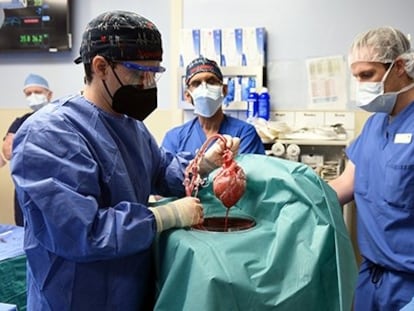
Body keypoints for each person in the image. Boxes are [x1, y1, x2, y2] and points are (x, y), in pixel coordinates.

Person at [10, 11, 239, 311]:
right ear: (101, 67)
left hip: (129, 292)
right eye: (138, 73)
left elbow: (162, 171)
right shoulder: (48, 134)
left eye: (153, 73)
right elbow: (81, 231)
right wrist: (163, 216)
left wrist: (202, 165)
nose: (147, 83)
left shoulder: (132, 127)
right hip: (74, 298)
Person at [329, 26, 414, 310]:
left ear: (400, 66)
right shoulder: (374, 125)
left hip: (408, 286)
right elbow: (345, 184)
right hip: (371, 279)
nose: (361, 86)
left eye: (368, 75)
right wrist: (288, 189)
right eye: (356, 77)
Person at [161, 56, 265, 156]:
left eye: (211, 81)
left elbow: (248, 171)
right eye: (196, 83)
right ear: (188, 96)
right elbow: (168, 173)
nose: (205, 88)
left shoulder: (244, 133)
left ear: (224, 90)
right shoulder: (175, 138)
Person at [2, 73, 53, 226]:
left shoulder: (61, 118)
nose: (33, 96)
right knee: (26, 231)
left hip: (53, 188)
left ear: (49, 94)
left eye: (37, 92)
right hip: (25, 190)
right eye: (28, 93)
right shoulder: (21, 122)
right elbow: (8, 152)